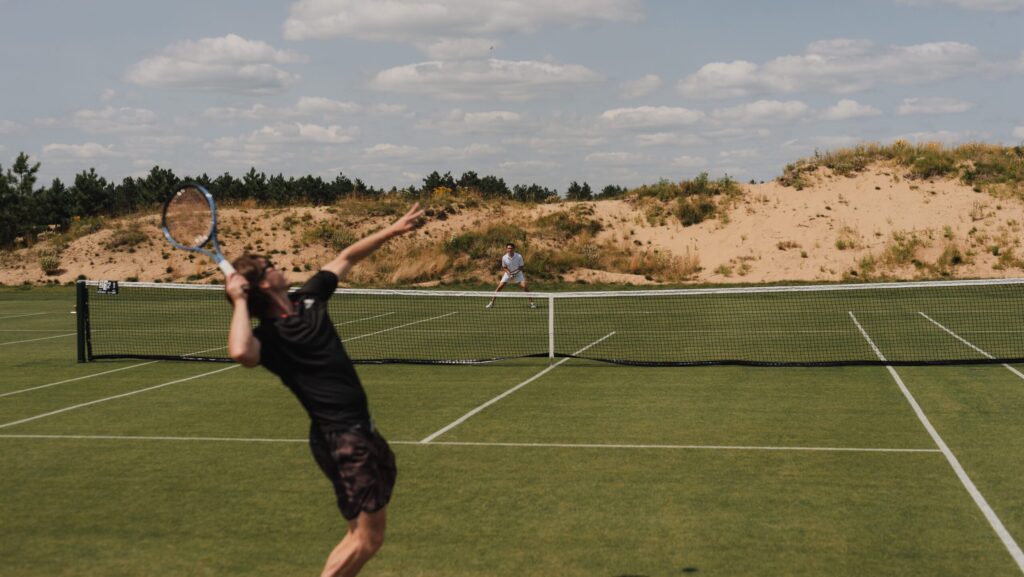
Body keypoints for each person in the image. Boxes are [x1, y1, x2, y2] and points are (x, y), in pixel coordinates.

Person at [224, 203, 424, 577]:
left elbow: (347, 256)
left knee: (359, 535)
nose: (277, 264)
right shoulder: (269, 337)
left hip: (359, 430)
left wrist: (393, 230)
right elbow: (240, 352)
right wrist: (238, 301)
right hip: (342, 438)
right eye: (270, 264)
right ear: (263, 283)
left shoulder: (310, 298)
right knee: (369, 538)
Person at [485, 242, 535, 309]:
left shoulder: (519, 256)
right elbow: (504, 267)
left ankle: (532, 303)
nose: (509, 250)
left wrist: (514, 274)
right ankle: (491, 303)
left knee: (524, 286)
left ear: (514, 249)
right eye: (508, 248)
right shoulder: (504, 257)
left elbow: (521, 267)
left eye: (511, 248)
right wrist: (509, 273)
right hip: (508, 273)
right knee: (499, 287)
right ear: (506, 249)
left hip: (518, 273)